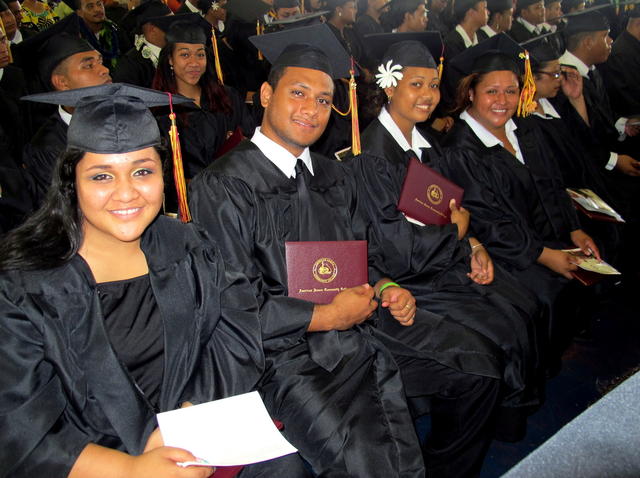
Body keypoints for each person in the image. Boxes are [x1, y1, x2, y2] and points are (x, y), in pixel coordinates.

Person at [189, 23, 503, 477]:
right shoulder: (223, 186)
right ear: (264, 94)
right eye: (298, 93)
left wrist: (387, 285)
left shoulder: (334, 176)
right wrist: (327, 317)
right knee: (369, 458)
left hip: (363, 322)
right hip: (286, 355)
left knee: (480, 365)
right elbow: (233, 306)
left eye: (322, 99)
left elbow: (363, 256)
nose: (312, 110)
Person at [1, 83, 310, 478]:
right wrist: (132, 470)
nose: (126, 193)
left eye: (142, 171)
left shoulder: (188, 246)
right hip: (93, 462)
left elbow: (234, 334)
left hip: (191, 430)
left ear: (163, 174)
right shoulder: (25, 285)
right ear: (71, 182)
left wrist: (186, 417)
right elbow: (18, 427)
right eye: (101, 177)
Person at [349, 31, 544, 441]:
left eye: (433, 84)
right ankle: (488, 426)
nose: (428, 94)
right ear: (389, 87)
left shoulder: (426, 144)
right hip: (409, 279)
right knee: (503, 327)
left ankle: (499, 419)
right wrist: (457, 232)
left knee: (524, 305)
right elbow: (394, 247)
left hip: (441, 259)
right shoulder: (371, 156)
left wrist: (472, 245)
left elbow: (448, 212)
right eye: (415, 84)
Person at [439, 33, 600, 363]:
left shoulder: (525, 129)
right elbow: (489, 223)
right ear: (471, 93)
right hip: (504, 253)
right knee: (549, 293)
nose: (503, 100)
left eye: (511, 91)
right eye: (491, 91)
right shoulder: (460, 151)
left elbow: (553, 184)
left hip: (546, 237)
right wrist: (547, 255)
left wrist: (573, 230)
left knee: (592, 265)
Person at [152, 18, 255, 183]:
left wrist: (241, 144)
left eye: (200, 54)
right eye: (185, 54)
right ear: (170, 59)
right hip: (188, 199)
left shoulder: (227, 97)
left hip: (234, 188)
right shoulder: (160, 110)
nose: (194, 63)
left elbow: (250, 136)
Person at [21, 32, 112, 206]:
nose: (104, 70)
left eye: (100, 62)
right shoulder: (46, 149)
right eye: (88, 66)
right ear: (62, 83)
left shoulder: (127, 120)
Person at [111, 0, 174, 87]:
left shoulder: (177, 52)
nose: (175, 28)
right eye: (170, 23)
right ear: (152, 29)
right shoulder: (130, 66)